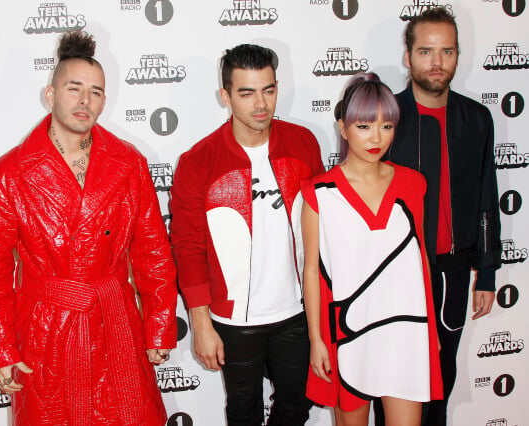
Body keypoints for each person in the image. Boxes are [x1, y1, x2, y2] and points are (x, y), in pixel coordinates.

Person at [0, 31, 177, 425]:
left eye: (96, 92)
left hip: (114, 323)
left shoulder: (129, 163)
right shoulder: (9, 174)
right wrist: (0, 349)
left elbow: (153, 252)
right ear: (50, 95)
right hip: (44, 333)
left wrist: (160, 327)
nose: (85, 100)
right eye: (74, 88)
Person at [170, 44, 324, 425]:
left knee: (296, 407)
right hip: (234, 320)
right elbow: (187, 248)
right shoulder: (198, 162)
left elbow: (324, 227)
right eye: (246, 92)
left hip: (297, 312)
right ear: (225, 96)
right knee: (243, 412)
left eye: (268, 90)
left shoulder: (303, 143)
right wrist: (201, 324)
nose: (261, 103)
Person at [379, 7, 502, 426]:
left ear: (457, 55)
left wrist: (486, 273)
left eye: (446, 51)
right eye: (426, 51)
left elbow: (487, 193)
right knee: (395, 388)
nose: (436, 62)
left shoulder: (477, 118)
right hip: (395, 276)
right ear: (407, 57)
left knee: (440, 384)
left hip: (452, 271)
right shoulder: (385, 118)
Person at [302, 73, 443, 426]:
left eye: (386, 125)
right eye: (364, 126)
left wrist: (431, 333)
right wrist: (317, 339)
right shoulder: (319, 194)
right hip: (351, 335)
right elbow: (313, 272)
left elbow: (421, 259)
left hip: (406, 331)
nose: (376, 138)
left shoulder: (413, 184)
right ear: (343, 127)